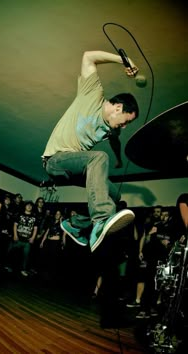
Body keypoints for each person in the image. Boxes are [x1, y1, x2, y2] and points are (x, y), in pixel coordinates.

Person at [42, 50, 139, 253]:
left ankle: (76, 224)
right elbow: (88, 56)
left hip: (75, 168)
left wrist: (119, 159)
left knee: (114, 194)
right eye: (126, 121)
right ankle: (101, 220)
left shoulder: (111, 129)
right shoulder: (92, 93)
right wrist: (125, 60)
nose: (124, 127)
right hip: (55, 161)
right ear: (118, 108)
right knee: (99, 158)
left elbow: (116, 143)